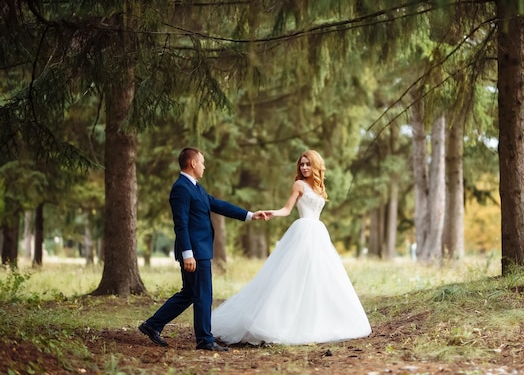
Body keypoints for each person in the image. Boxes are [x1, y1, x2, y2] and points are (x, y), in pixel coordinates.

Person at [211, 149, 371, 345]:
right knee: (293, 276)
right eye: (301, 164)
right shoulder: (299, 185)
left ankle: (319, 320)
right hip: (303, 231)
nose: (303, 167)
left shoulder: (320, 188)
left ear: (315, 165)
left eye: (307, 164)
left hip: (318, 233)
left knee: (320, 276)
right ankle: (278, 322)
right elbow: (287, 209)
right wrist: (273, 213)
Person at [139, 147, 267, 352]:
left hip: (198, 250)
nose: (204, 166)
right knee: (204, 294)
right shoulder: (181, 188)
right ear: (192, 164)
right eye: (202, 162)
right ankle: (205, 340)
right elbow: (180, 223)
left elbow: (218, 204)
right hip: (195, 252)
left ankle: (152, 325)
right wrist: (187, 253)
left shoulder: (195, 187)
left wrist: (250, 215)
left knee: (189, 293)